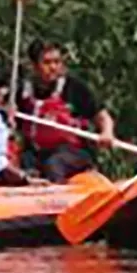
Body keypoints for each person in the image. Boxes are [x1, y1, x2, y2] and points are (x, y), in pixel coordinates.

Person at [17, 41, 115, 182]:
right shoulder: (22, 91)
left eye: (57, 62)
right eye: (47, 62)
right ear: (34, 65)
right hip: (35, 151)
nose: (53, 67)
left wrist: (107, 132)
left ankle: (57, 197)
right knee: (21, 166)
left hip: (72, 152)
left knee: (54, 164)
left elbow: (102, 116)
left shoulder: (74, 88)